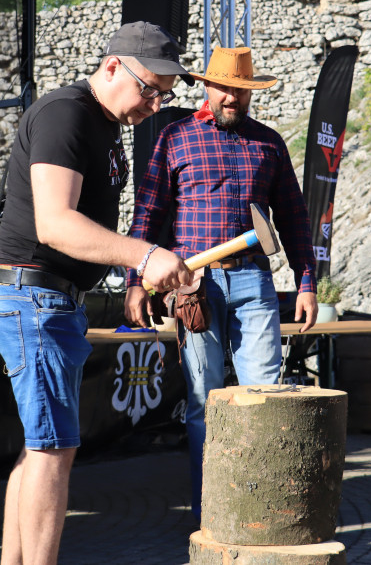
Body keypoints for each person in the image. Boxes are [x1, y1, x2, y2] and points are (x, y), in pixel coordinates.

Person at [0, 21, 195, 565]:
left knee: (40, 448)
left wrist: (142, 269)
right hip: (32, 296)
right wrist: (145, 256)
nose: (154, 104)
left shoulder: (103, 125)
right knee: (54, 450)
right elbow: (55, 225)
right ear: (111, 66)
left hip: (52, 299)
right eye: (150, 89)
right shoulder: (66, 114)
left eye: (163, 96)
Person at [123, 46, 318, 522]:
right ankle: (210, 513)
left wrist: (307, 281)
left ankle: (262, 513)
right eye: (224, 87)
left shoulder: (269, 144)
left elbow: (293, 217)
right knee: (201, 404)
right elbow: (147, 213)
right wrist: (134, 281)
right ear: (206, 87)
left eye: (241, 90)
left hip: (254, 284)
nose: (232, 97)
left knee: (265, 397)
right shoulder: (174, 138)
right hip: (193, 286)